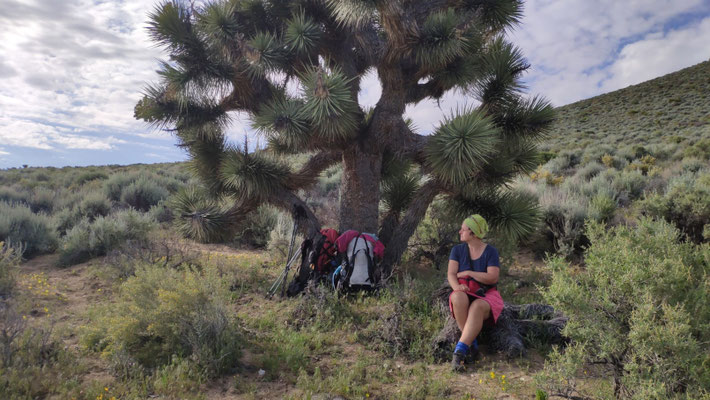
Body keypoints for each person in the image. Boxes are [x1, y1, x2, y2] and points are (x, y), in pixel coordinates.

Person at [447, 214, 504, 371]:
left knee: (477, 306)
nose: (460, 231)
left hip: (487, 295)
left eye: (463, 229)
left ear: (472, 232)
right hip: (464, 290)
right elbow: (451, 274)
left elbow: (492, 277)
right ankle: (472, 345)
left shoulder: (490, 251)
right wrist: (457, 287)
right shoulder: (457, 250)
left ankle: (458, 353)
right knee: (458, 297)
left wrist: (469, 273)